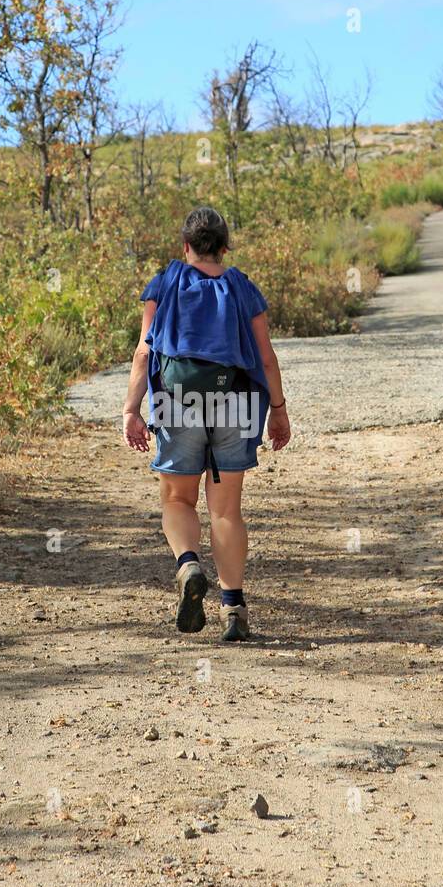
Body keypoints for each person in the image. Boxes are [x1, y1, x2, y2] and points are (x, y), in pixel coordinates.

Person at [122, 205, 291, 642]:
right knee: (226, 509)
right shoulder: (241, 286)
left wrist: (131, 410)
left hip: (179, 401)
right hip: (235, 401)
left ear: (186, 246)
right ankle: (233, 609)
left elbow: (144, 352)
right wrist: (278, 409)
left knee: (178, 500)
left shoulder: (165, 282)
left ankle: (189, 565)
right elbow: (266, 357)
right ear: (225, 247)